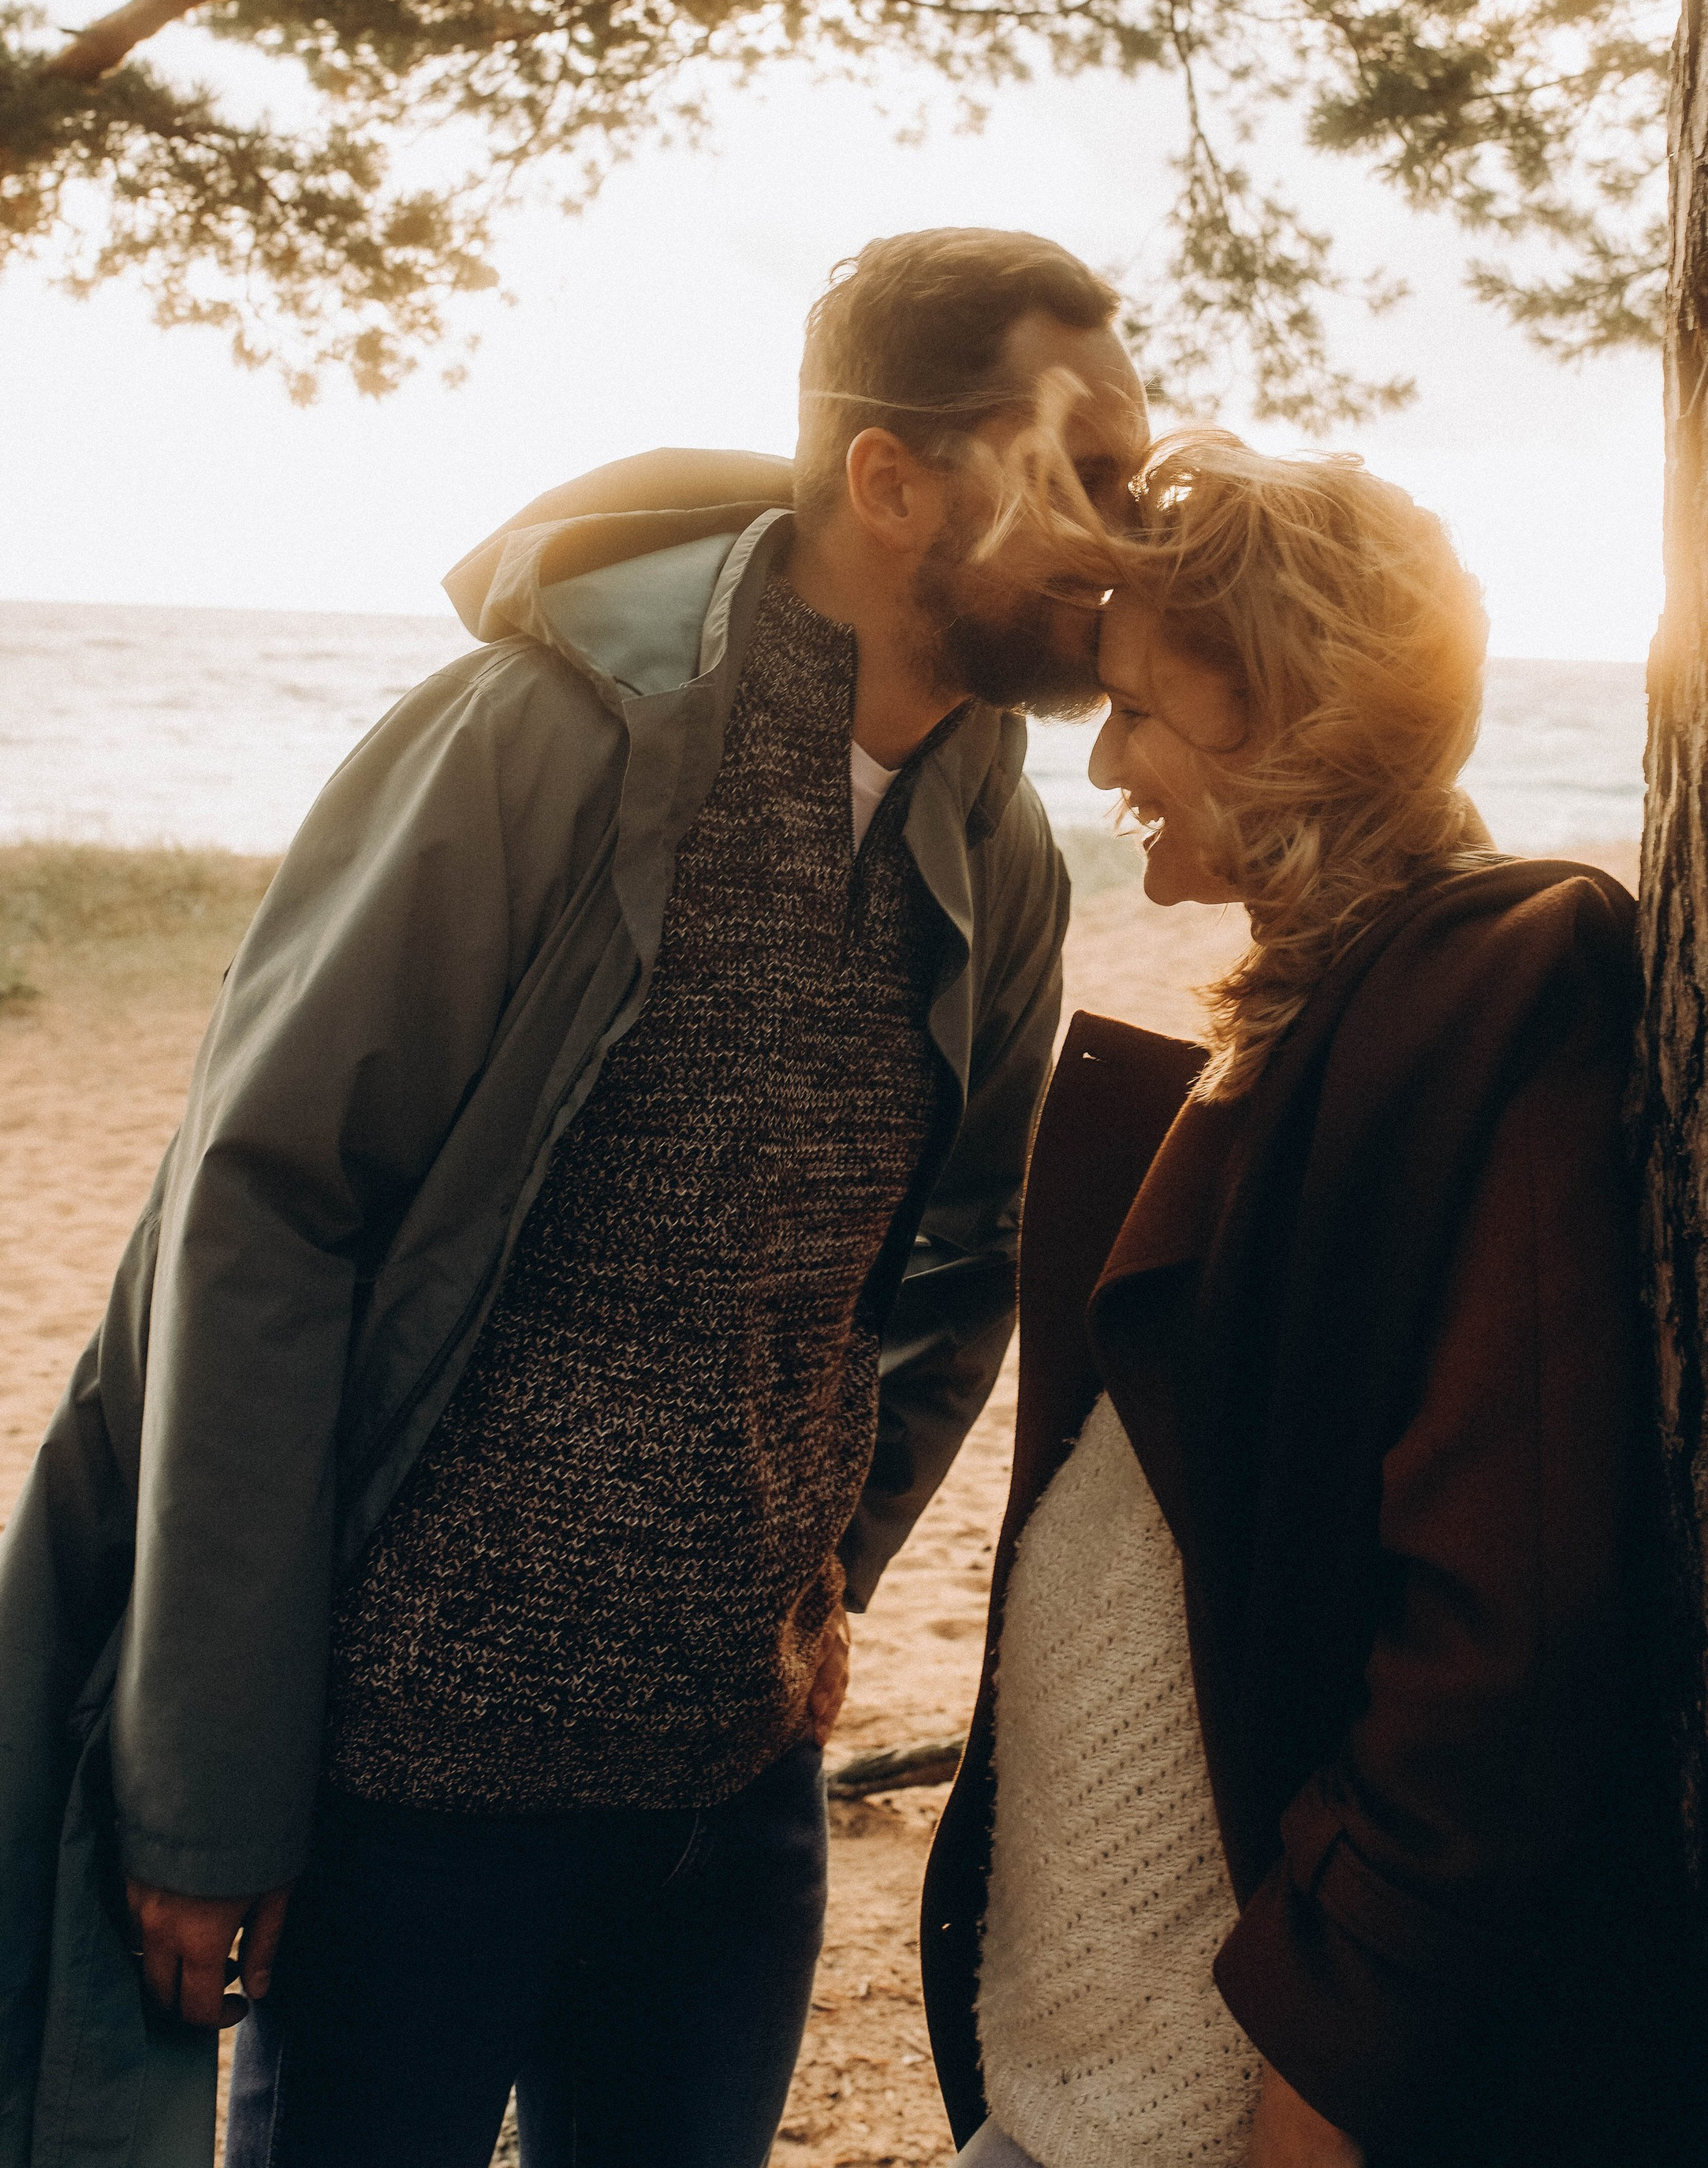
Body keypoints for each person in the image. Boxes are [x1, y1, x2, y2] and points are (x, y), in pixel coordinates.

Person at [0, 226, 1148, 2168]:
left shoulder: (996, 833)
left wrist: (825, 1563)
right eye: (1085, 469)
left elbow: (961, 1262)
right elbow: (257, 1226)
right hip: (412, 1784)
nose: (1124, 531)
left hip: (734, 1791)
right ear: (889, 479)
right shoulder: (536, 743)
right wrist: (206, 1805)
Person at [922, 435, 1693, 2168]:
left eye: (1136, 709)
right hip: (1092, 2066)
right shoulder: (1320, 1008)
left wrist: (1331, 2066)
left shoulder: (1501, 992)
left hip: (1242, 2098)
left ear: (1285, 714)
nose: (1103, 755)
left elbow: (1502, 1628)